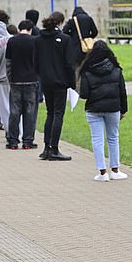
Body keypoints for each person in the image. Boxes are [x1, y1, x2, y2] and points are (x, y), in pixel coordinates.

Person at [79, 40, 129, 182]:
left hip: (94, 109)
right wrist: (123, 110)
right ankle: (115, 170)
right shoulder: (116, 70)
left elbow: (84, 94)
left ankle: (102, 172)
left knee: (97, 139)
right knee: (113, 138)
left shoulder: (87, 71)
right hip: (113, 108)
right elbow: (122, 92)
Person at [34, 11, 74, 161]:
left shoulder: (38, 40)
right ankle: (54, 148)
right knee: (58, 114)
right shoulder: (65, 39)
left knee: (50, 113)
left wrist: (42, 75)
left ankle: (46, 147)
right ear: (60, 23)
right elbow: (69, 64)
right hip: (60, 81)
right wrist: (71, 82)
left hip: (46, 81)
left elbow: (35, 62)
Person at [5, 20, 38, 150]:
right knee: (30, 111)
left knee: (14, 111)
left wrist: (10, 78)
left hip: (15, 80)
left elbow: (8, 62)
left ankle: (13, 141)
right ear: (30, 29)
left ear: (19, 28)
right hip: (31, 79)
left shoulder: (12, 41)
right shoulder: (35, 41)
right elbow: (37, 61)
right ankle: (27, 141)